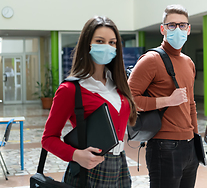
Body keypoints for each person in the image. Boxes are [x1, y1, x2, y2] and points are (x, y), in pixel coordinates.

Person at [42, 16, 137, 188]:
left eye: (112, 42)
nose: (107, 47)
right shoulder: (70, 89)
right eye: (100, 41)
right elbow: (48, 138)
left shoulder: (119, 84)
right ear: (87, 44)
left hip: (120, 164)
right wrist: (76, 155)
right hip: (90, 167)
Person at [128, 4, 199, 188]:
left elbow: (191, 104)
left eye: (182, 25)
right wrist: (168, 101)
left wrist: (196, 139)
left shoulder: (188, 62)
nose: (178, 29)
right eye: (172, 25)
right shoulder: (151, 60)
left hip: (189, 146)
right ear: (163, 29)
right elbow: (130, 100)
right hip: (163, 146)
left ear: (188, 29)